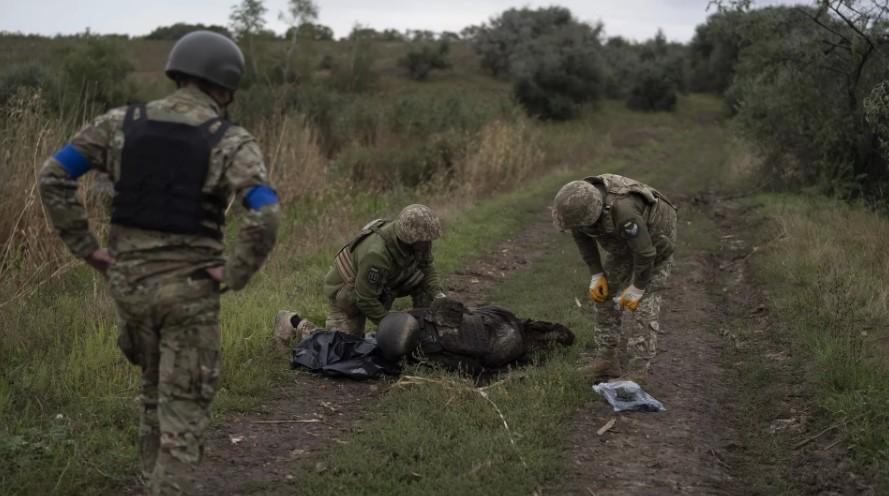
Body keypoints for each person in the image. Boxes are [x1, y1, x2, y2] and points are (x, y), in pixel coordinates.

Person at [38, 31, 279, 495]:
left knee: (152, 393)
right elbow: (265, 211)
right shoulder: (230, 140)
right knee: (182, 417)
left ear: (177, 72)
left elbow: (53, 174)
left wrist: (86, 247)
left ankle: (150, 481)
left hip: (130, 290)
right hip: (189, 294)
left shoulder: (118, 123)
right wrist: (235, 272)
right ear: (225, 87)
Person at [551, 174, 677, 379]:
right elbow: (581, 235)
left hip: (655, 241)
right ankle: (607, 360)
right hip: (624, 243)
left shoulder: (624, 210)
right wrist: (596, 273)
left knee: (645, 302)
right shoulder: (580, 206)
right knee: (603, 294)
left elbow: (645, 253)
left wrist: (637, 287)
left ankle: (638, 372)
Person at [276, 204, 444, 341]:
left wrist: (438, 296)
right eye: (424, 241)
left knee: (424, 287)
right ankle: (292, 322)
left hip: (377, 285)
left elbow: (427, 268)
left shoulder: (419, 243)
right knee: (341, 347)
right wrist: (394, 327)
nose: (428, 244)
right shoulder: (377, 254)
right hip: (348, 292)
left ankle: (425, 334)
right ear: (408, 238)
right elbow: (364, 298)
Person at [286, 297, 575, 375]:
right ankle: (547, 336)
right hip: (502, 320)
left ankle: (544, 339)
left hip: (504, 343)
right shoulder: (426, 316)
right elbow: (459, 309)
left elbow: (475, 369)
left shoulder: (434, 352)